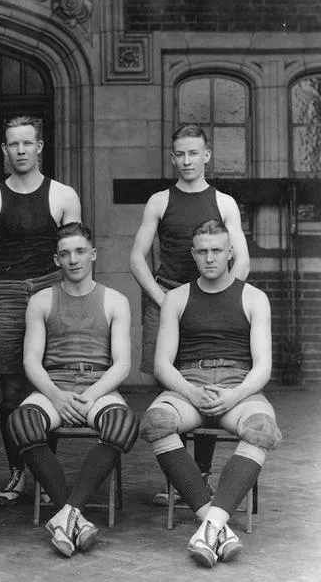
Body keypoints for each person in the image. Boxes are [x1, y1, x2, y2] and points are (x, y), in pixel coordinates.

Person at [139, 219, 281, 568]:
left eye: (217, 250)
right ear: (192, 254)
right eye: (202, 251)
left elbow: (263, 367)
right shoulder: (176, 298)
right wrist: (190, 390)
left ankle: (212, 524)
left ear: (230, 252)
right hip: (189, 383)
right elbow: (162, 364)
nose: (210, 257)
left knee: (262, 427)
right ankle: (213, 520)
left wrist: (233, 397)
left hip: (239, 386)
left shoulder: (254, 298)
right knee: (157, 421)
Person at [129, 124, 251, 504]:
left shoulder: (225, 202)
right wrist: (162, 298)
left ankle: (199, 476)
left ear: (207, 156)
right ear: (172, 157)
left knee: (211, 381)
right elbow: (136, 257)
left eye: (193, 153)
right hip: (166, 296)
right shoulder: (159, 201)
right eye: (180, 154)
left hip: (210, 304)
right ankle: (177, 481)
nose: (186, 161)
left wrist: (222, 298)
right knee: (170, 387)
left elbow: (242, 258)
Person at [8, 222, 139, 557]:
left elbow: (122, 363)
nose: (73, 259)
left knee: (123, 424)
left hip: (98, 384)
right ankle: (73, 514)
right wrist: (56, 395)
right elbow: (31, 362)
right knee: (21, 423)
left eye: (80, 251)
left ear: (93, 254)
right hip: (56, 384)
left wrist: (91, 395)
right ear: (56, 260)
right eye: (65, 254)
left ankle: (66, 512)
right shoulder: (40, 301)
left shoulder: (115, 301)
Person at [0, 115, 81, 505]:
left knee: (48, 383)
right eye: (12, 145)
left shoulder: (64, 196)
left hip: (52, 290)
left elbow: (75, 254)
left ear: (39, 147)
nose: (20, 150)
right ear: (4, 150)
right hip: (6, 293)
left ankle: (46, 473)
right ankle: (18, 472)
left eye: (27, 143)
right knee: (13, 388)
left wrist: (73, 302)